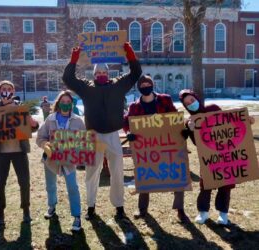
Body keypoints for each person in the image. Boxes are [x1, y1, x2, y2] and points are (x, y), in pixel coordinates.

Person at [63, 42, 142, 220]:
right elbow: (68, 79)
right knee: (92, 172)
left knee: (117, 171)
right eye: (97, 73)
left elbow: (136, 73)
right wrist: (74, 60)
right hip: (94, 136)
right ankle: (91, 206)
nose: (101, 75)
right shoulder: (87, 88)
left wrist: (130, 54)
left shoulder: (118, 85)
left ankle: (119, 206)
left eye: (103, 72)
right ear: (93, 74)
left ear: (108, 73)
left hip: (113, 134)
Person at [179, 89, 255, 225]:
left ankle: (223, 214)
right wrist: (191, 130)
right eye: (187, 104)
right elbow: (197, 143)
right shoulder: (190, 121)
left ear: (196, 98)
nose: (191, 104)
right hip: (209, 158)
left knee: (225, 184)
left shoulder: (213, 108)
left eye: (191, 100)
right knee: (206, 184)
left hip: (226, 155)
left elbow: (229, 123)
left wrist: (246, 120)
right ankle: (203, 212)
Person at [123, 75, 190, 223]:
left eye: (148, 84)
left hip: (167, 145)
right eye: (143, 85)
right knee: (144, 174)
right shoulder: (134, 107)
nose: (146, 86)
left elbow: (174, 117)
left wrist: (182, 130)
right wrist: (129, 133)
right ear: (139, 88)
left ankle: (180, 210)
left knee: (177, 173)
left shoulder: (165, 99)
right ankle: (142, 209)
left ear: (152, 85)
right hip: (146, 149)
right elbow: (126, 122)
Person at [0, 80, 39, 225]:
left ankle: (26, 210)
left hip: (19, 151)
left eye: (9, 89)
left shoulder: (21, 109)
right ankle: (0, 213)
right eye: (3, 89)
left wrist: (34, 123)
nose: (6, 91)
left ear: (13, 92)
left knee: (24, 182)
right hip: (1, 153)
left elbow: (33, 128)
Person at [36, 90, 84, 231]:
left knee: (72, 187)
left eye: (68, 102)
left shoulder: (78, 120)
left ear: (72, 104)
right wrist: (45, 145)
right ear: (58, 103)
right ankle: (51, 206)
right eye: (63, 102)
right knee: (50, 185)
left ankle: (76, 216)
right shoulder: (50, 119)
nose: (65, 104)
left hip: (69, 160)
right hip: (51, 159)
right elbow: (40, 137)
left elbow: (84, 141)